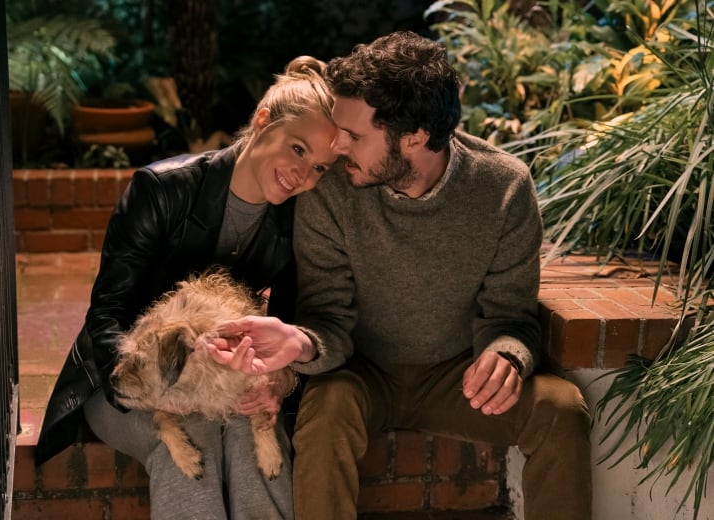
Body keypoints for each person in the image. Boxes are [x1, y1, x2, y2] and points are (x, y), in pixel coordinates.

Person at [207, 31, 593, 520]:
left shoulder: (504, 189)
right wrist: (301, 343)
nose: (337, 145)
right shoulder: (333, 192)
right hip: (360, 374)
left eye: (355, 135)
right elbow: (328, 318)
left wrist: (507, 355)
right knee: (324, 416)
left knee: (561, 410)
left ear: (413, 137)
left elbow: (511, 316)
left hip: (458, 375)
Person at [34, 55, 338, 520]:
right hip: (126, 379)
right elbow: (105, 319)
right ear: (262, 122)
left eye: (320, 168)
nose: (304, 175)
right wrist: (166, 392)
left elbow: (293, 324)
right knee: (193, 436)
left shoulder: (297, 222)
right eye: (298, 149)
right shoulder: (161, 190)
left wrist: (277, 380)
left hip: (220, 379)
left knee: (251, 431)